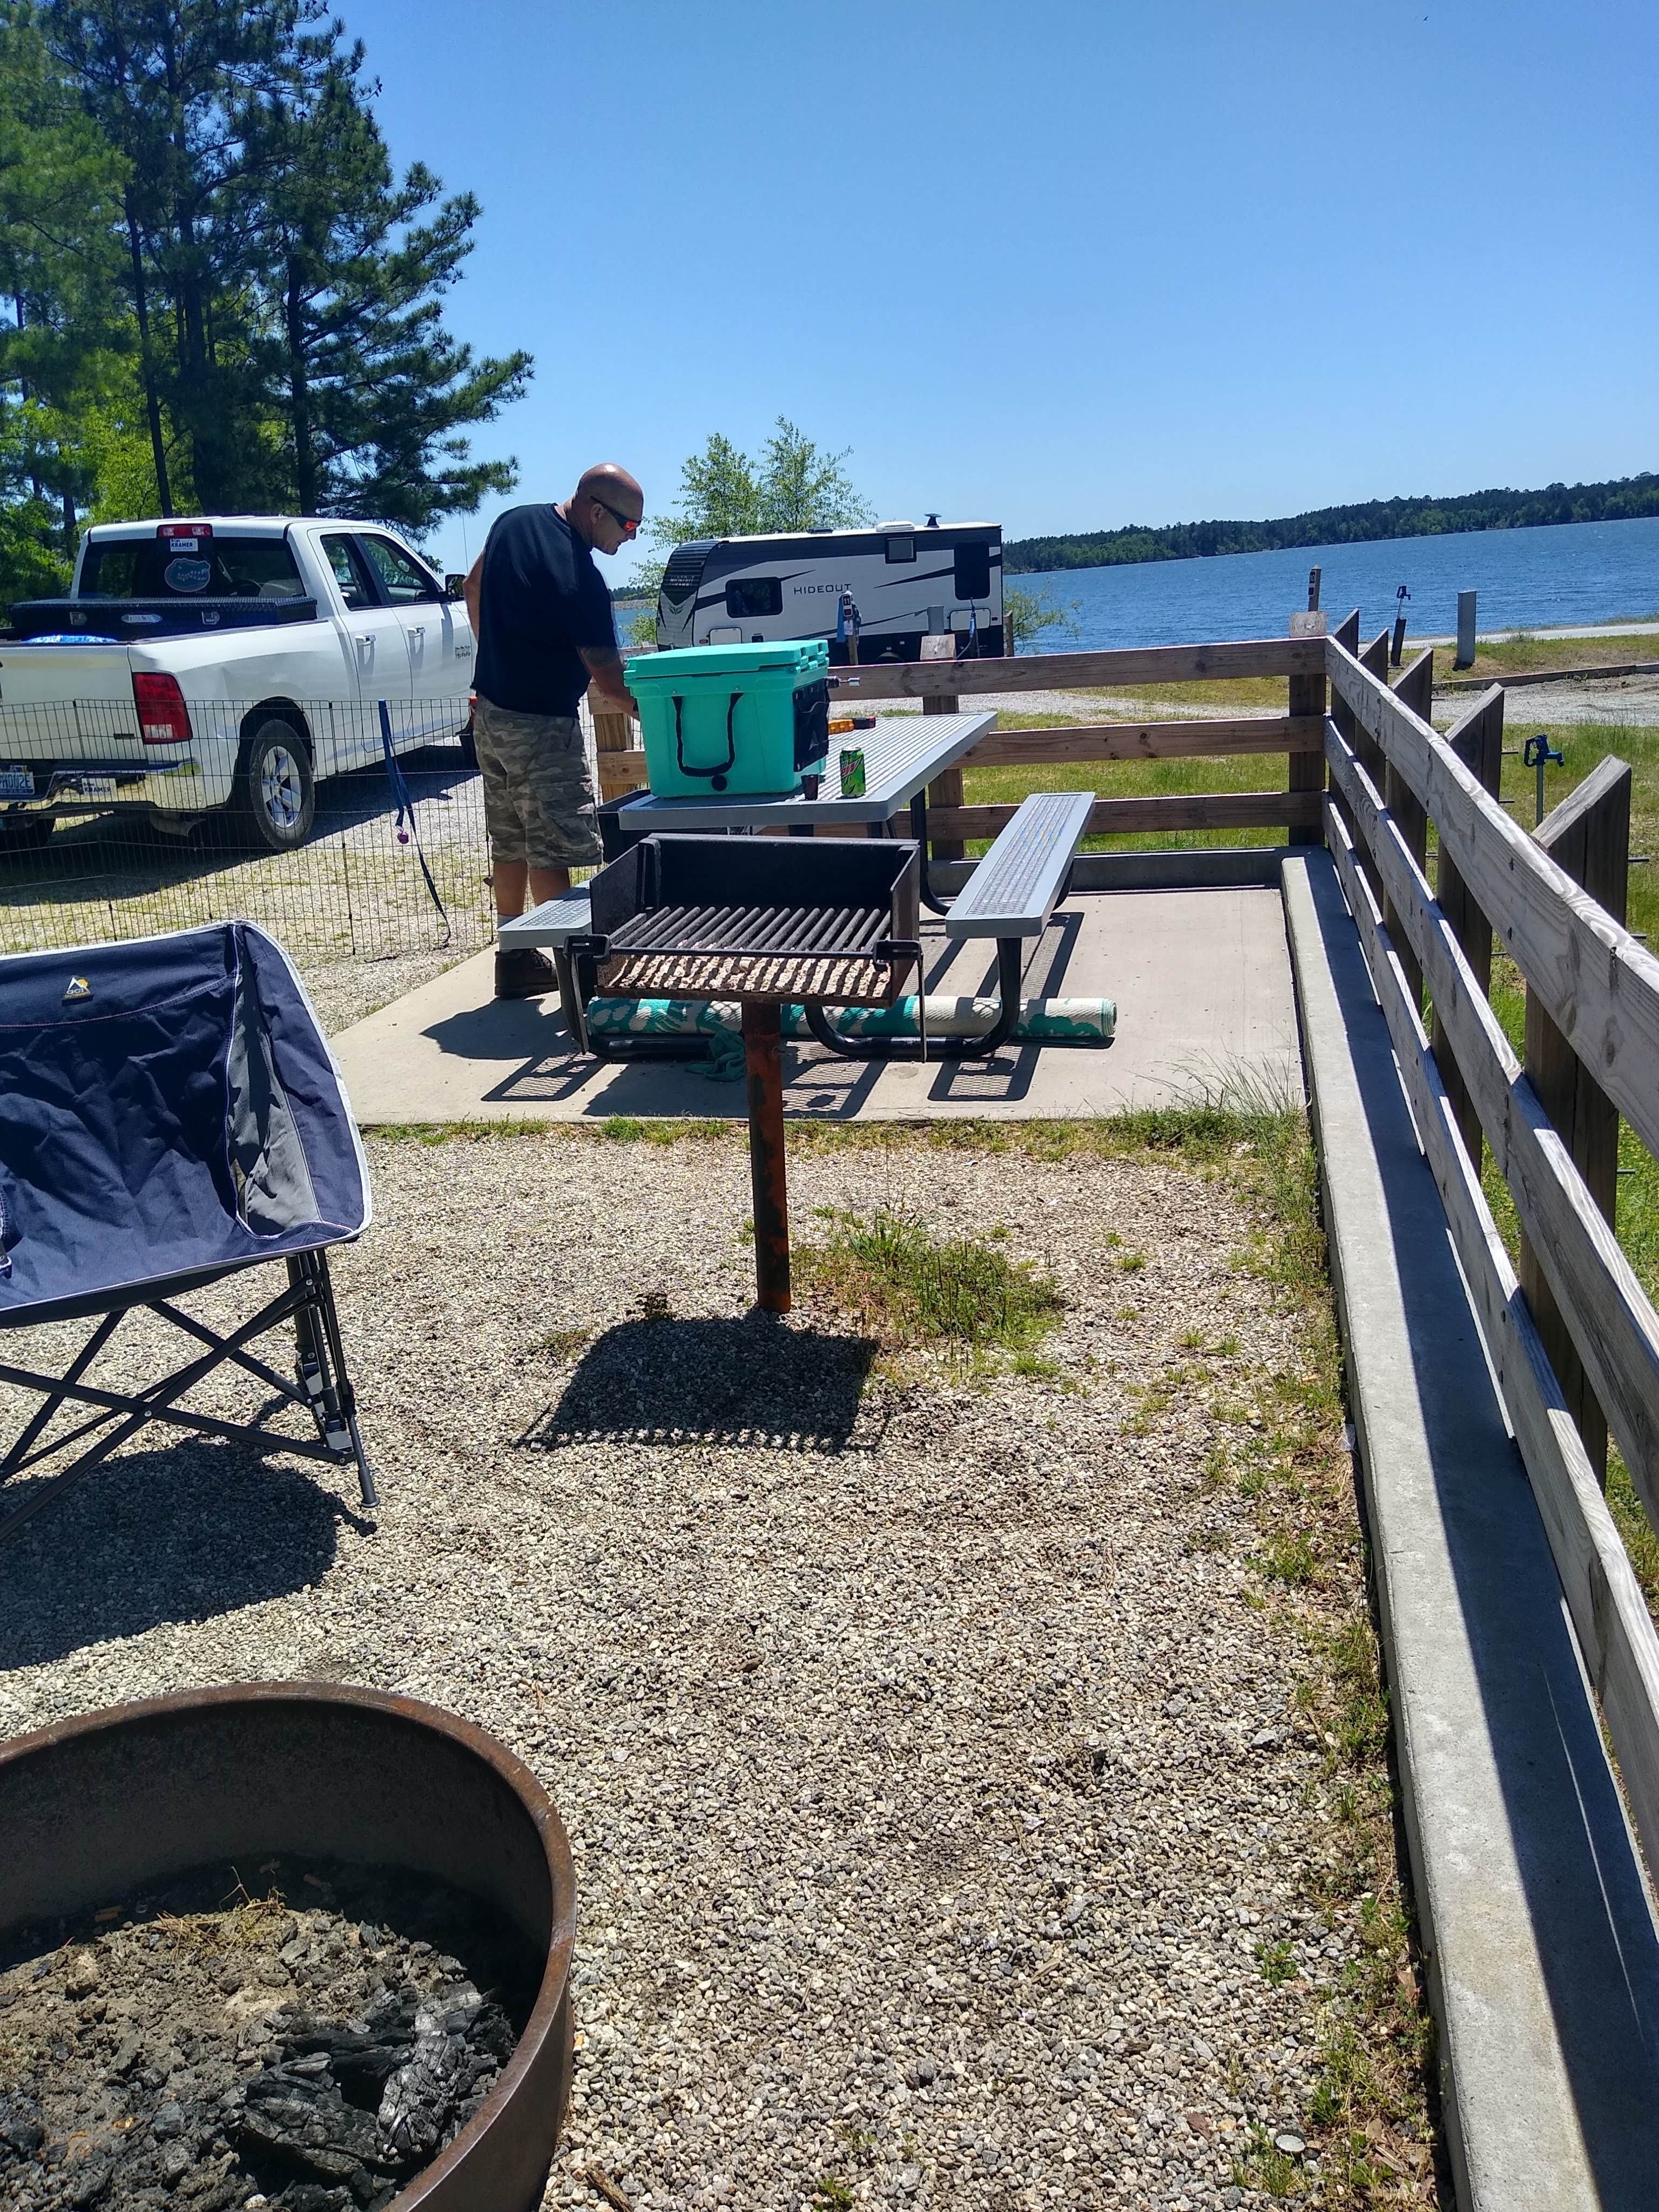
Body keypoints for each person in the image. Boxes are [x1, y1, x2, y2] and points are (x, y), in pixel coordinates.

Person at [463, 463, 644, 999]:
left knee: (510, 836)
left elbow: (472, 586)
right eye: (628, 527)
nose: (629, 538)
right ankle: (576, 977)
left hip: (491, 713)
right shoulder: (581, 581)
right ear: (596, 511)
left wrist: (495, 659)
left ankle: (514, 958)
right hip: (542, 725)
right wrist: (662, 714)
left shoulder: (511, 523)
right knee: (553, 848)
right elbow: (610, 684)